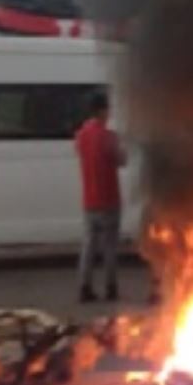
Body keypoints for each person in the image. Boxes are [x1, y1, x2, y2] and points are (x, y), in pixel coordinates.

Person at [74, 92, 127, 304]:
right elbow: (122, 160)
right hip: (109, 199)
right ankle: (110, 287)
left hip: (89, 200)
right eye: (108, 109)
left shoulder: (81, 136)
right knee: (110, 246)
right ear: (102, 111)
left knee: (88, 246)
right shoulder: (108, 137)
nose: (110, 113)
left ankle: (84, 287)